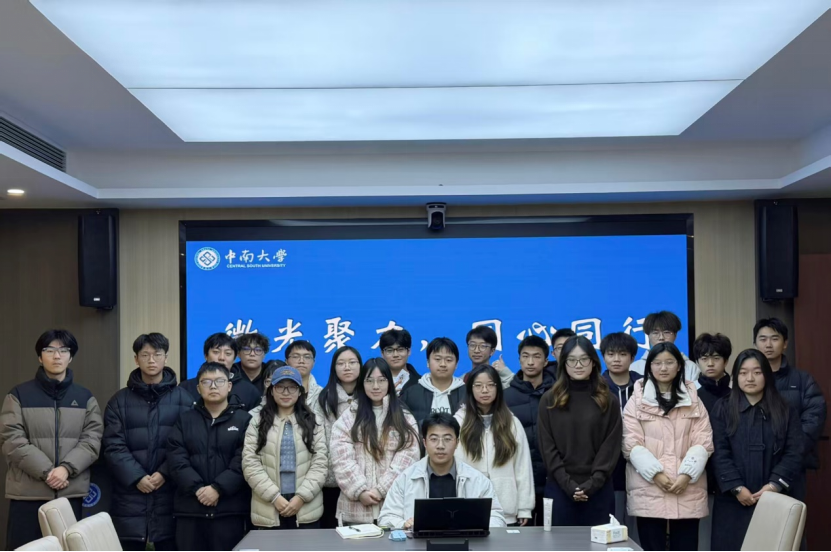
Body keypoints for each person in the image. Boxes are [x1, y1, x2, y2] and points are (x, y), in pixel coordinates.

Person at [0, 330, 103, 551]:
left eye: (63, 350)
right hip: (27, 495)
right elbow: (12, 439)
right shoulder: (18, 395)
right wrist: (48, 472)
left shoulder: (85, 398)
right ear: (40, 356)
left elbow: (92, 439)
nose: (57, 356)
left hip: (70, 493)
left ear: (70, 356)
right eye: (49, 350)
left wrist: (66, 469)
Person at [103, 333, 193, 551]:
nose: (151, 360)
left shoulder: (184, 400)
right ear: (136, 359)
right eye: (145, 355)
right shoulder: (119, 401)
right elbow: (113, 445)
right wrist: (136, 477)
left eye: (157, 354)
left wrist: (164, 473)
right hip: (130, 495)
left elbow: (189, 444)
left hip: (170, 492)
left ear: (166, 358)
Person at [622, 342, 713, 552]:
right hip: (649, 487)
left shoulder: (694, 399)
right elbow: (630, 442)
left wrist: (687, 474)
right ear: (649, 366)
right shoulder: (636, 400)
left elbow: (703, 440)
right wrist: (655, 474)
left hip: (687, 486)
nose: (663, 368)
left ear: (679, 366)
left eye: (669, 362)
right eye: (657, 363)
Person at [710, 349, 804, 551]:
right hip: (733, 499)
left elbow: (794, 452)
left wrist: (773, 486)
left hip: (777, 497)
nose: (750, 378)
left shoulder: (785, 409)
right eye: (743, 373)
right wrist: (736, 487)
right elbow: (718, 452)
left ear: (767, 375)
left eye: (757, 372)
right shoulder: (723, 407)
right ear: (735, 377)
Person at [537, 336, 621, 527]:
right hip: (559, 489)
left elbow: (611, 447)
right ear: (563, 363)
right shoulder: (549, 400)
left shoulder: (608, 400)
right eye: (572, 360)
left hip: (599, 490)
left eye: (584, 359)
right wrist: (568, 485)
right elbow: (547, 447)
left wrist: (593, 483)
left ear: (593, 362)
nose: (578, 365)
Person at [167, 362, 252, 551]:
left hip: (229, 510)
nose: (213, 386)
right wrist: (198, 489)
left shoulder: (244, 420)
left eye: (219, 381)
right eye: (206, 382)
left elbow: (244, 460)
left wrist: (217, 488)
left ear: (229, 386)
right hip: (190, 509)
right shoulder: (185, 419)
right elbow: (176, 459)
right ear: (198, 388)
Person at [378, 412, 507, 529]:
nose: (440, 446)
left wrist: (474, 523)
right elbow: (386, 518)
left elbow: (497, 518)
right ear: (425, 443)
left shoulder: (477, 480)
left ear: (457, 442)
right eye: (434, 439)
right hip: (419, 543)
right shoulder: (405, 479)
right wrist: (404, 524)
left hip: (465, 542)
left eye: (447, 439)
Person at [331, 358, 421, 525]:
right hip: (355, 511)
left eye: (381, 380)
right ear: (362, 383)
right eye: (369, 381)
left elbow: (409, 457)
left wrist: (381, 490)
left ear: (389, 382)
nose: (376, 386)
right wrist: (360, 491)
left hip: (394, 510)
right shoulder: (349, 417)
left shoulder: (404, 417)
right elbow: (341, 459)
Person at [243, 366, 328, 530]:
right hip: (268, 505)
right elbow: (250, 463)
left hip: (306, 506)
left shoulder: (313, 421)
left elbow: (321, 463)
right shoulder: (257, 421)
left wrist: (301, 497)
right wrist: (274, 497)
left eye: (292, 387)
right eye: (280, 387)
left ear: (300, 392)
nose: (286, 392)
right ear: (272, 391)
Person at [754, 318, 826, 504]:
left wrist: (789, 454)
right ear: (755, 343)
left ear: (785, 343)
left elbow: (813, 422)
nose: (768, 344)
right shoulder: (746, 380)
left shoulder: (803, 380)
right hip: (753, 466)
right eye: (763, 339)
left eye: (774, 338)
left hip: (792, 469)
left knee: (789, 519)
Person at [454, 365, 534, 526]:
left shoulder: (512, 423)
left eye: (490, 385)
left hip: (506, 511)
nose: (485, 390)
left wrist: (524, 508)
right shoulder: (459, 423)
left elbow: (522, 467)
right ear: (470, 389)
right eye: (478, 385)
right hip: (466, 509)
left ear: (498, 388)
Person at [504, 335, 556, 526]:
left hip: (553, 479)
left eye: (536, 356)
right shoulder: (505, 397)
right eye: (525, 356)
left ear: (546, 361)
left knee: (551, 536)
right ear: (519, 359)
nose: (530, 362)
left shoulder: (558, 395)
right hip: (518, 480)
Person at [314, 346, 363, 529]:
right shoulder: (324, 398)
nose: (347, 367)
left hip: (363, 481)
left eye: (352, 362)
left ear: (360, 366)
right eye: (341, 363)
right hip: (332, 482)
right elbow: (319, 440)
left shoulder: (370, 396)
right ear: (334, 368)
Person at [599, 332, 643, 537]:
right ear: (603, 357)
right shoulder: (596, 387)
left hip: (642, 462)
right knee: (613, 522)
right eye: (611, 354)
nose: (616, 359)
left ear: (632, 357)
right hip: (609, 463)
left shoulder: (645, 386)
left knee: (638, 526)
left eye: (622, 354)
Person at [180, 333, 261, 411]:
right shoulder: (186, 388)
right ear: (206, 356)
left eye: (228, 353)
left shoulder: (249, 391)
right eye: (216, 352)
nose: (222, 358)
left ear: (234, 358)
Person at [400, 338, 467, 429]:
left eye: (448, 360)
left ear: (456, 364)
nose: (443, 364)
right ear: (428, 362)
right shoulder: (411, 393)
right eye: (437, 359)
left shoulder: (467, 393)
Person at [630, 311, 700, 383]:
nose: (661, 337)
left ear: (675, 335)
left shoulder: (690, 367)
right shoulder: (635, 367)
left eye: (666, 332)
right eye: (655, 333)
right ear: (648, 336)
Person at [379, 329, 421, 396]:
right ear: (382, 353)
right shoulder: (374, 383)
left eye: (400, 349)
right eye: (389, 350)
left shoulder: (422, 383)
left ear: (409, 351)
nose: (395, 355)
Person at [285, 340, 323, 409]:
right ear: (286, 361)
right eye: (296, 356)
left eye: (307, 357)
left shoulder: (322, 394)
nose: (301, 361)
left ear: (313, 362)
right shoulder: (277, 392)